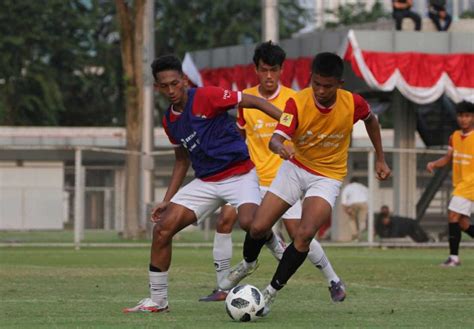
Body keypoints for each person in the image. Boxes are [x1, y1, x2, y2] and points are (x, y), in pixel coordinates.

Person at [222, 52, 391, 316]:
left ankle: (270, 293)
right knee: (258, 227)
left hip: (328, 176)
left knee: (303, 234)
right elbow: (276, 138)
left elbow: (371, 120)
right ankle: (247, 263)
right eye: (317, 84)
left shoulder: (353, 103)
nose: (321, 91)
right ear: (311, 79)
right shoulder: (296, 102)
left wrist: (380, 158)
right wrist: (280, 148)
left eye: (328, 86)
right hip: (295, 168)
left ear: (340, 84)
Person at [123, 54, 284, 313]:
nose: (171, 90)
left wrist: (287, 124)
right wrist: (167, 199)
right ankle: (158, 301)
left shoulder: (206, 97)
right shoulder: (169, 121)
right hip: (207, 181)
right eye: (165, 86)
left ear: (184, 80)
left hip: (241, 174)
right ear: (157, 87)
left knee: (250, 224)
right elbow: (181, 161)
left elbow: (251, 100)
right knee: (162, 229)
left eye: (175, 83)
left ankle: (273, 243)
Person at [199, 41, 345, 303]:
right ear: (256, 69)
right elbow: (241, 136)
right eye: (264, 70)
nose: (269, 76)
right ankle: (222, 287)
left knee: (299, 231)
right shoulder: (246, 99)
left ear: (281, 70)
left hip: (284, 177)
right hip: (252, 179)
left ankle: (332, 279)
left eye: (274, 70)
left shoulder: (294, 98)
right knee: (225, 221)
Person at [426, 101, 474, 267]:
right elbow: (448, 158)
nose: (464, 119)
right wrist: (434, 163)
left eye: (467, 115)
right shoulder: (454, 137)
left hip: (470, 185)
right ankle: (454, 257)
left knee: (452, 214)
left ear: (473, 117)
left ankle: (454, 258)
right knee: (463, 223)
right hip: (461, 184)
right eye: (461, 115)